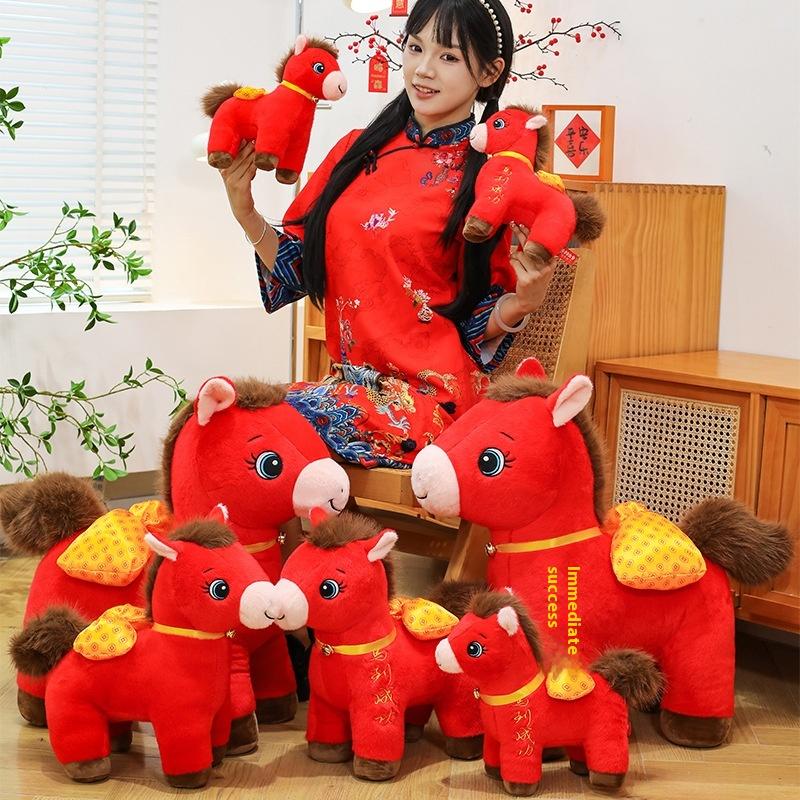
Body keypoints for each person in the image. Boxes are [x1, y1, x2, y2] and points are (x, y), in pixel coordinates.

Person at [221, 0, 556, 469]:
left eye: (448, 56)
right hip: (344, 390)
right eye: (415, 48)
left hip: (426, 404)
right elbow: (298, 270)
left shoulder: (492, 180)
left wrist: (523, 302)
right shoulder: (356, 150)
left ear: (489, 72)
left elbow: (476, 320)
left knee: (259, 429)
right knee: (229, 418)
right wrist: (246, 213)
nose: (423, 69)